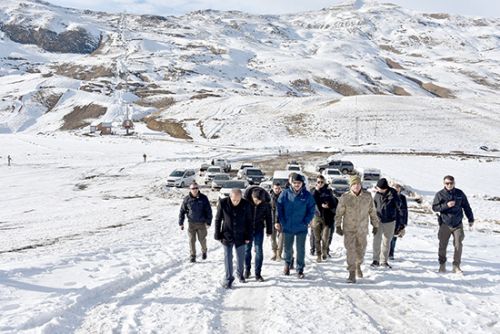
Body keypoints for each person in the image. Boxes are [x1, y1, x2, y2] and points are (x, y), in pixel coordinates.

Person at [335, 175, 380, 283]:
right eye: (354, 184)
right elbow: (339, 213)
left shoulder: (367, 196)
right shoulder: (345, 197)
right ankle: (351, 272)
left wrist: (375, 225)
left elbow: (372, 212)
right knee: (350, 250)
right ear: (351, 185)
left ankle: (358, 265)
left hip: (362, 230)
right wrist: (338, 225)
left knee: (361, 251)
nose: (356, 186)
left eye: (358, 184)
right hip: (349, 229)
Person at [277, 173, 316, 279]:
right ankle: (287, 265)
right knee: (288, 248)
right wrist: (282, 221)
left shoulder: (307, 195)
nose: (297, 185)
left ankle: (300, 269)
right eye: (295, 183)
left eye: (299, 183)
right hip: (288, 226)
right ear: (291, 183)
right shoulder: (285, 193)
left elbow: (311, 209)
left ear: (302, 183)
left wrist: (306, 221)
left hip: (301, 227)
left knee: (300, 249)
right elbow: (279, 207)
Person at [432, 175, 474, 274]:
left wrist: (471, 219)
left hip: (458, 224)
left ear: (454, 183)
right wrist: (446, 205)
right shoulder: (440, 194)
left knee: (458, 245)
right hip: (445, 224)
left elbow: (467, 207)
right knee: (443, 245)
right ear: (444, 184)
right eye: (447, 183)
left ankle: (456, 266)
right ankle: (442, 265)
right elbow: (434, 208)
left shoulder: (460, 193)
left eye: (451, 183)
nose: (449, 185)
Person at [214, 189, 252, 288]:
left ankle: (240, 274)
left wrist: (248, 236)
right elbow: (218, 219)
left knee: (240, 257)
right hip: (227, 234)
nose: (235, 202)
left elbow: (249, 221)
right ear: (230, 197)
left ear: (241, 197)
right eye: (233, 200)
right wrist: (217, 234)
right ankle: (228, 278)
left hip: (241, 235)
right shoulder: (223, 203)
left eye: (238, 200)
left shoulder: (246, 204)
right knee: (228, 257)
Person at [371, 178, 402, 269]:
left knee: (386, 241)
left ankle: (384, 261)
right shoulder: (377, 195)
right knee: (376, 240)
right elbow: (373, 207)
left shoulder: (393, 194)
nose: (378, 189)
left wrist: (395, 198)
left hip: (390, 221)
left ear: (384, 188)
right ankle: (375, 260)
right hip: (378, 221)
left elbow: (399, 206)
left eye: (379, 188)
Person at [178, 182, 213, 263]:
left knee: (202, 240)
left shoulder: (203, 198)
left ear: (198, 188)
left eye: (196, 188)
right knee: (191, 240)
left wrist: (208, 222)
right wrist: (181, 222)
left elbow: (209, 211)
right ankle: (192, 255)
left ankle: (204, 251)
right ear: (190, 189)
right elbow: (182, 211)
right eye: (193, 188)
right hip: (191, 223)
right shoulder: (187, 199)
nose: (195, 190)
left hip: (202, 223)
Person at [243, 186, 273, 281]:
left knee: (259, 250)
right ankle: (247, 270)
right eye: (256, 200)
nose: (257, 202)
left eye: (259, 201)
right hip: (247, 229)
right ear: (252, 196)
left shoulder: (266, 204)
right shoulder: (246, 202)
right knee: (247, 250)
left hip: (259, 229)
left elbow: (269, 217)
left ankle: (258, 273)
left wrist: (269, 230)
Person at [310, 174, 338, 262]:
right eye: (318, 182)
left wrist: (328, 206)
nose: (320, 183)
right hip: (316, 217)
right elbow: (311, 202)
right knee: (317, 238)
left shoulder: (329, 191)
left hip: (327, 218)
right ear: (316, 183)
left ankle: (324, 252)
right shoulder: (313, 191)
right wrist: (316, 191)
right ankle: (318, 254)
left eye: (322, 182)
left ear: (324, 182)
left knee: (325, 238)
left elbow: (334, 203)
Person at [389, 184, 408, 260]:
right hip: (389, 219)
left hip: (399, 220)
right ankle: (385, 252)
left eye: (398, 188)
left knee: (394, 238)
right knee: (387, 238)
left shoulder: (403, 198)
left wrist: (404, 222)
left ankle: (391, 253)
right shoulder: (388, 196)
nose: (397, 190)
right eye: (395, 188)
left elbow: (405, 210)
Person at [269, 181, 284, 261]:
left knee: (281, 238)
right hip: (271, 220)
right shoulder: (269, 197)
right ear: (273, 188)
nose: (277, 190)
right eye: (275, 188)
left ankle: (279, 254)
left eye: (278, 188)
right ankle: (274, 252)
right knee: (273, 238)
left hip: (281, 220)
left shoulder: (283, 197)